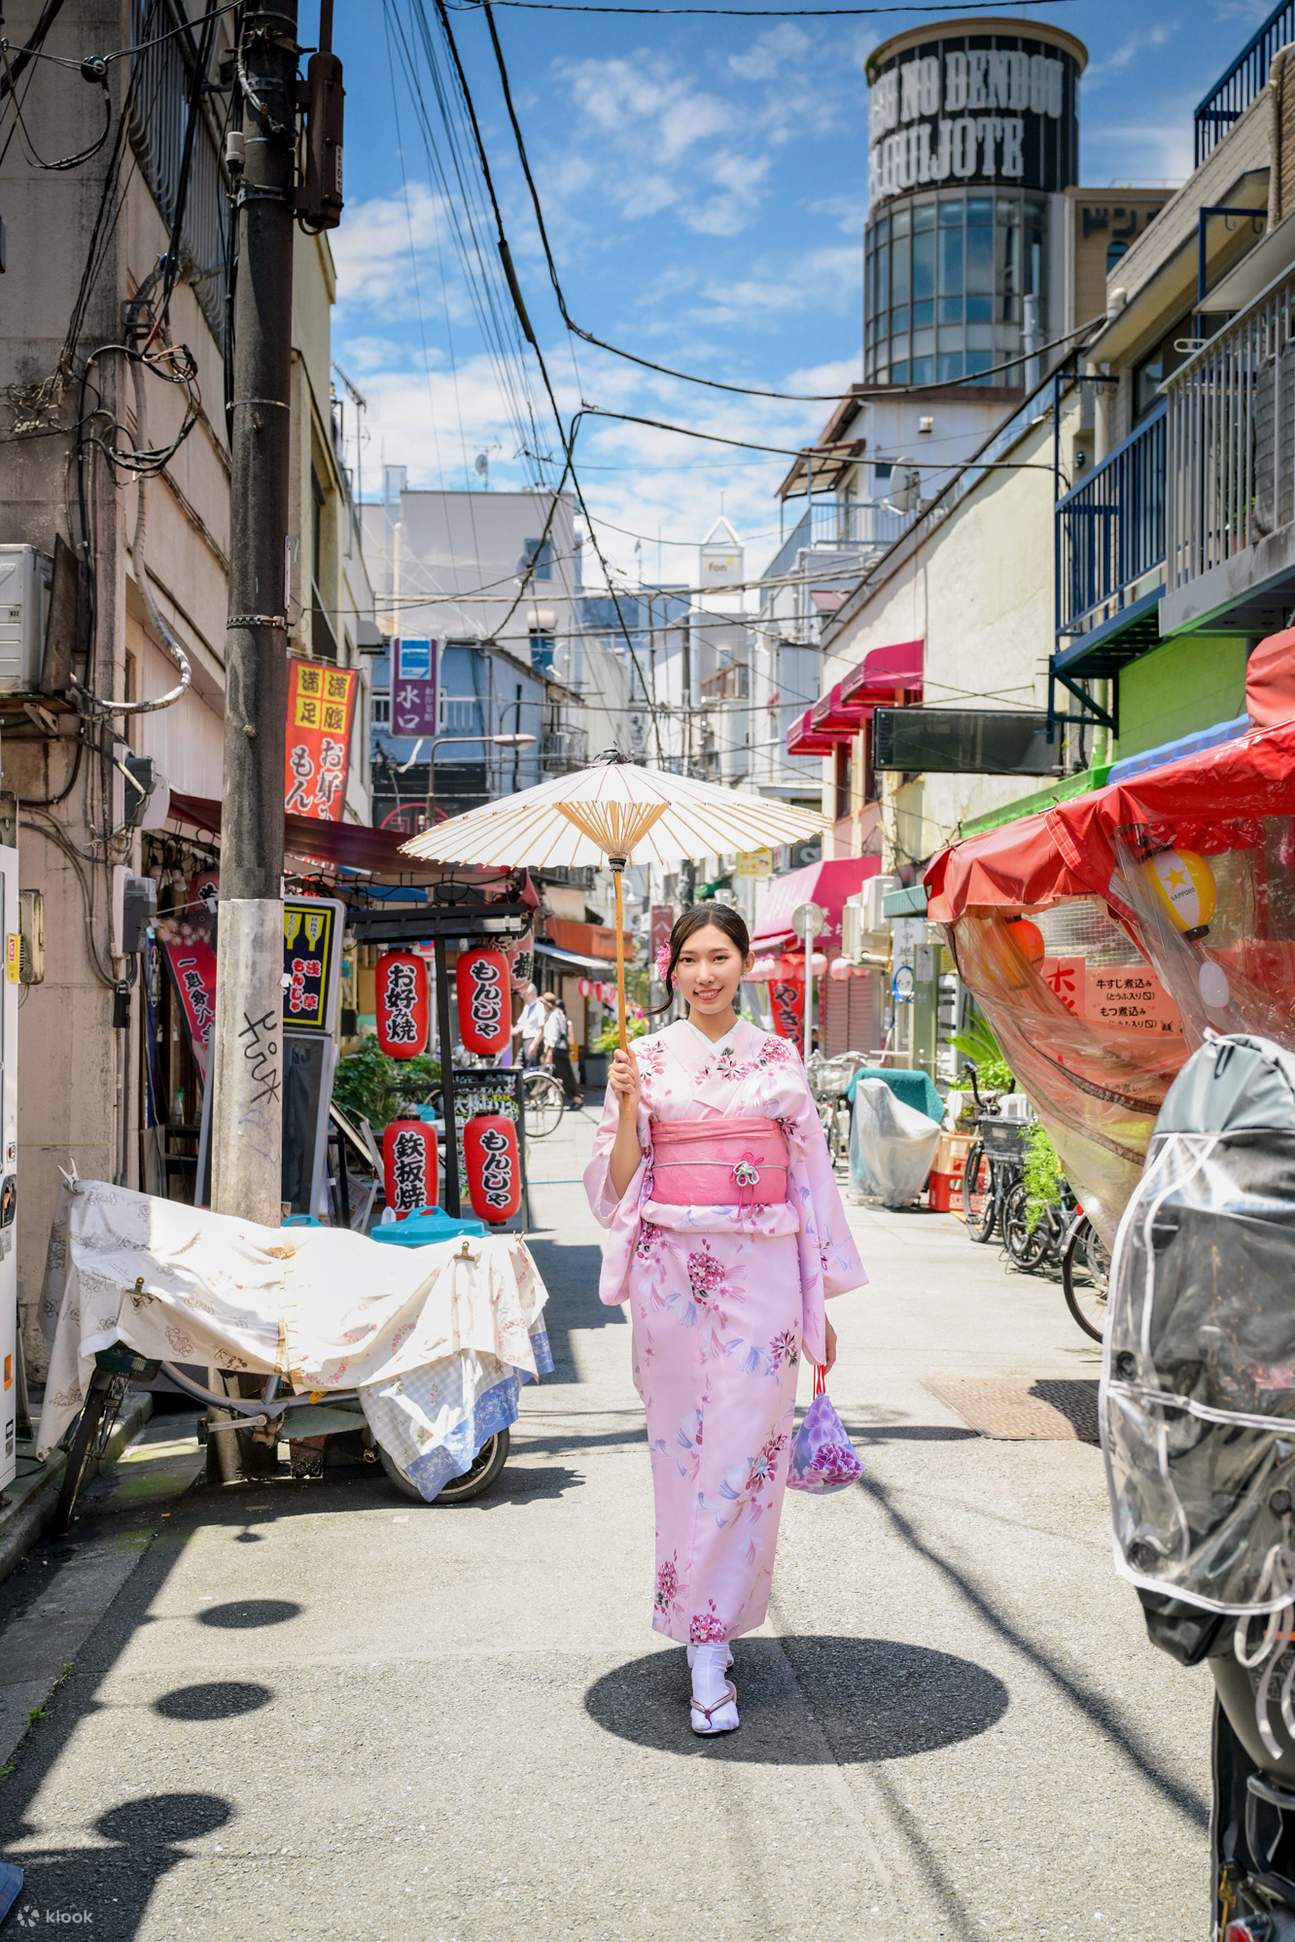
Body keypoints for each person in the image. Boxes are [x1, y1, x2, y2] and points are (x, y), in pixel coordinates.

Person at [583, 904, 866, 1737]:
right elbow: (615, 1186)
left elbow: (810, 1184)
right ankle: (702, 1629)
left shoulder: (778, 1058)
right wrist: (627, 1105)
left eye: (719, 957)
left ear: (744, 964)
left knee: (747, 1453)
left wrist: (818, 1307)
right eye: (689, 960)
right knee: (679, 1454)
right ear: (669, 970)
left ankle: (709, 1638)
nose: (704, 973)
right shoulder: (645, 1060)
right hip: (671, 1274)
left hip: (765, 1276)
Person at [541, 991, 583, 1108]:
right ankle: (545, 1098)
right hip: (560, 1049)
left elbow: (553, 1035)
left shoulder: (554, 1015)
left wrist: (549, 1051)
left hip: (557, 1050)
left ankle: (576, 1098)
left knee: (565, 1075)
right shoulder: (558, 1014)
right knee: (560, 1075)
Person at [516, 982, 545, 1067]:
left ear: (530, 994)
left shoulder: (540, 1006)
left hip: (533, 1040)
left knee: (531, 1068)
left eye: (524, 994)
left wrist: (534, 1045)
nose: (522, 997)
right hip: (525, 1040)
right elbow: (521, 1024)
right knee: (519, 1065)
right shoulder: (527, 1007)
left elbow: (542, 1030)